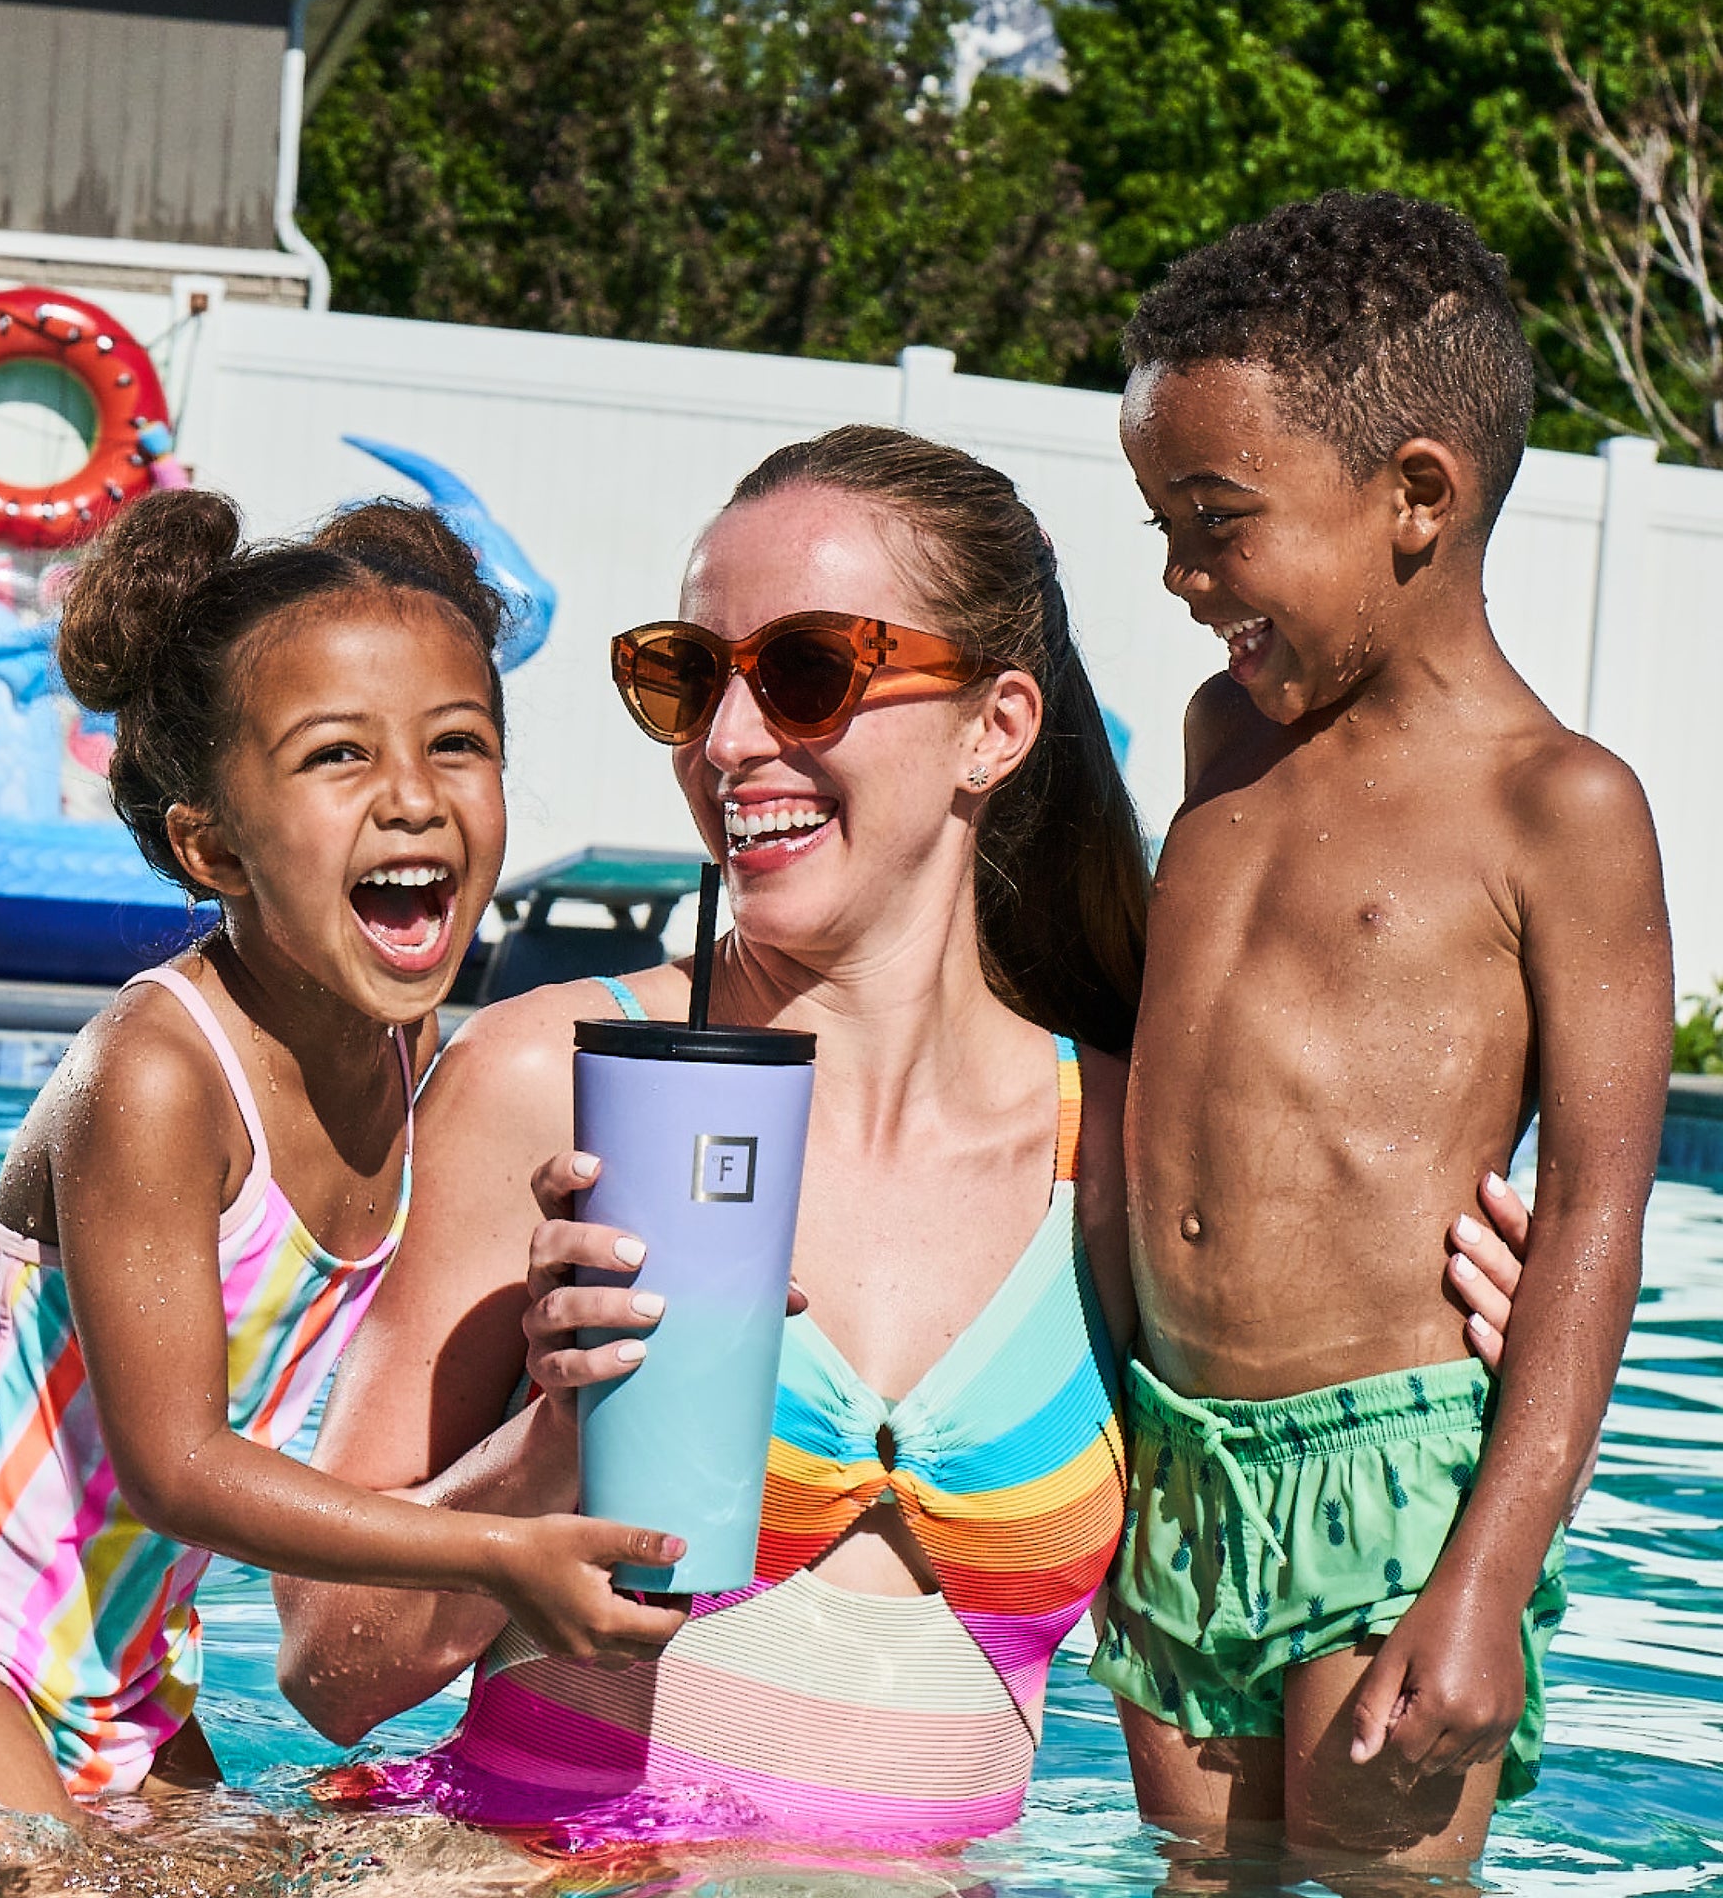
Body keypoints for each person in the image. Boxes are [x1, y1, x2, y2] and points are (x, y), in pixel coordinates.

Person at [274, 427, 1536, 1849]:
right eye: (690, 678)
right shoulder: (547, 1078)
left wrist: (1460, 1370)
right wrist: (560, 1438)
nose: (730, 742)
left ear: (994, 727)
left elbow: (1255, 1644)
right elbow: (327, 1669)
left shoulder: (1127, 1153)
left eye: (807, 674)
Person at [0, 491, 683, 1856]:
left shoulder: (403, 1044)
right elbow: (179, 1469)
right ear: (212, 847)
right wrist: (495, 1552)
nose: (412, 797)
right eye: (337, 756)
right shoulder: (158, 1073)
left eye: (459, 744)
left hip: (136, 1676)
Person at [1091, 192, 1672, 1871]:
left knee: (1376, 1875)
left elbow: (1597, 1208)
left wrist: (1490, 1575)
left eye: (1217, 520)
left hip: (1392, 1477)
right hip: (1183, 1454)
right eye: (1164, 530)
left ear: (1417, 494)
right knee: (1200, 1876)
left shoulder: (1557, 806)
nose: (1190, 577)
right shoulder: (1225, 738)